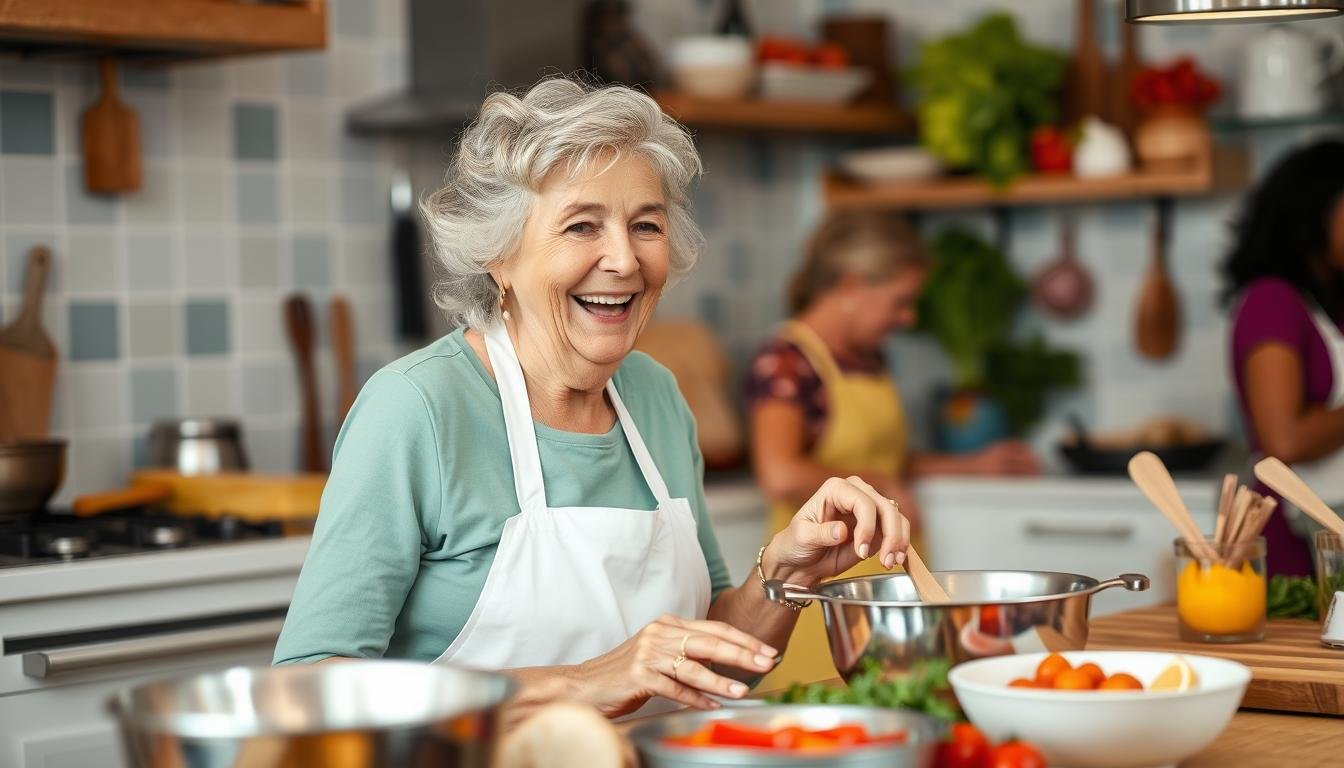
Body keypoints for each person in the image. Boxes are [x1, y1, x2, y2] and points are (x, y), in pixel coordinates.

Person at [272, 78, 910, 718]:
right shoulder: (416, 409)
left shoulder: (657, 396)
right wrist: (583, 682)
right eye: (582, 225)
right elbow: (309, 684)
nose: (624, 260)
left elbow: (711, 662)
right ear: (498, 252)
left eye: (646, 226)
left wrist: (789, 576)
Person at [745, 209, 1038, 687]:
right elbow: (779, 472)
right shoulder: (786, 361)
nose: (909, 318)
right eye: (900, 302)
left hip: (892, 571)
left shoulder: (869, 359)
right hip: (822, 580)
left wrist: (971, 465)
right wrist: (879, 484)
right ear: (853, 285)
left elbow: (888, 458)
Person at [1224, 139, 1344, 577]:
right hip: (1295, 555)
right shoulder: (1271, 302)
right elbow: (1284, 441)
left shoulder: (1333, 305)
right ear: (1314, 214)